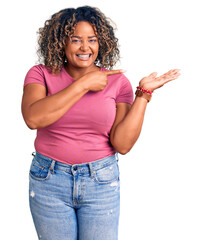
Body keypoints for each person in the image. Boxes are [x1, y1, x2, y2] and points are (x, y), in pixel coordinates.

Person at [21, 5, 180, 240]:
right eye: (75, 40)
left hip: (101, 181)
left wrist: (143, 94)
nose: (85, 47)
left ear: (101, 43)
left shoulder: (117, 82)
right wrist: (84, 84)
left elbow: (122, 145)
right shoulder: (40, 74)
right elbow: (33, 118)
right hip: (49, 181)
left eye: (92, 40)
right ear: (60, 43)